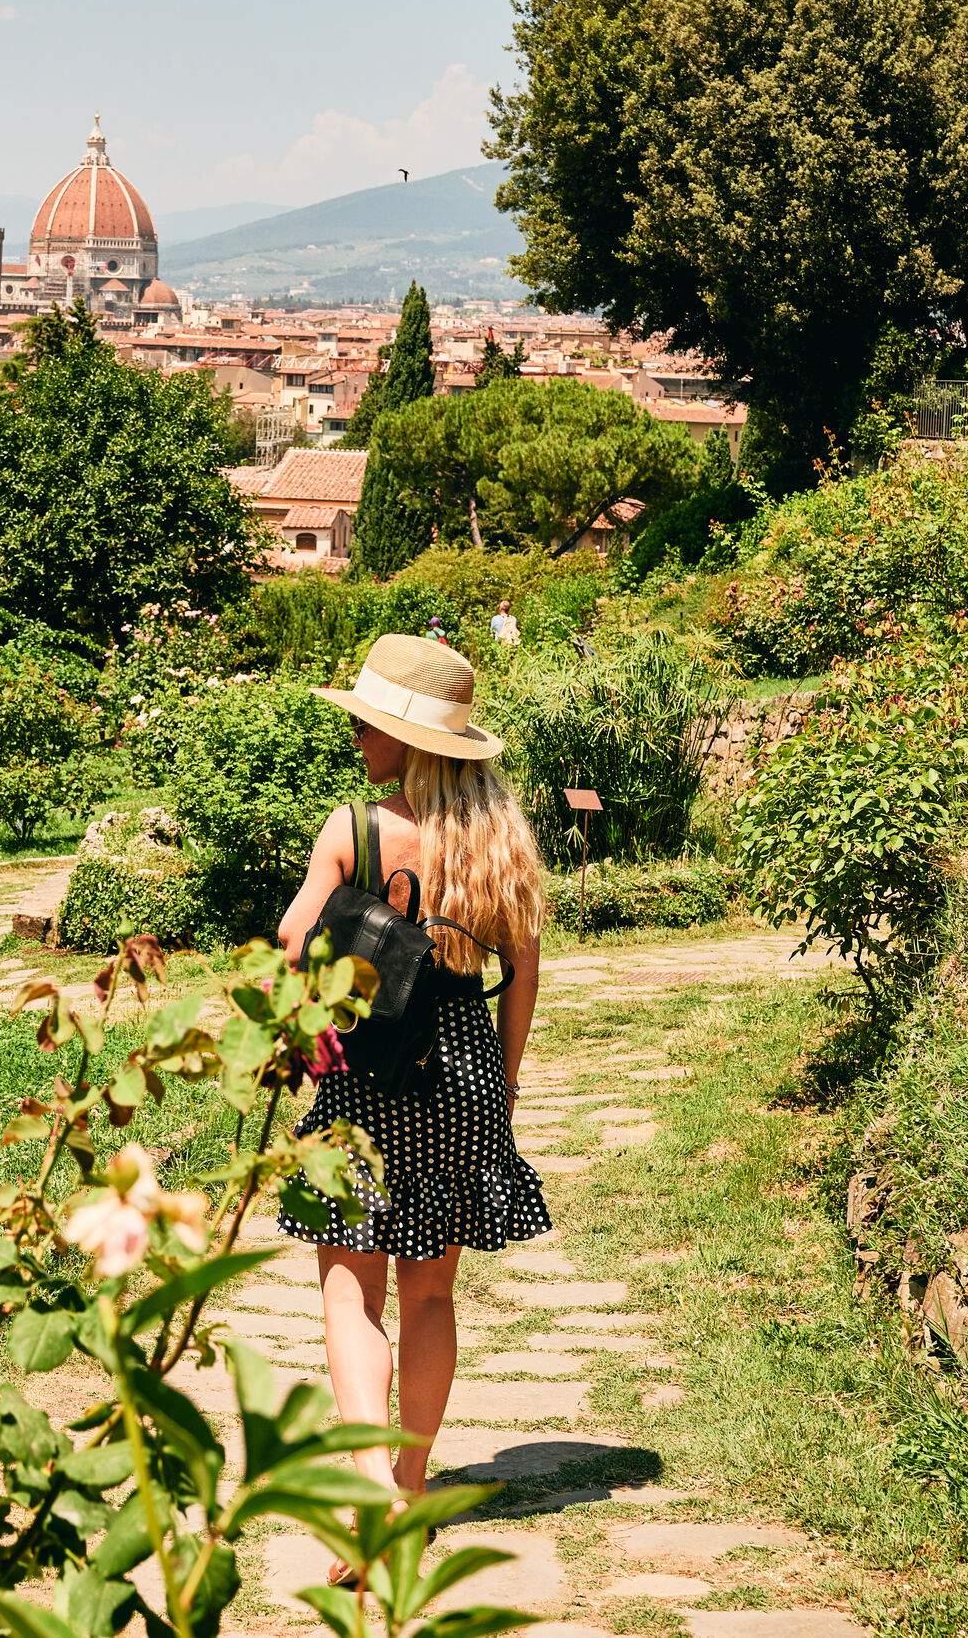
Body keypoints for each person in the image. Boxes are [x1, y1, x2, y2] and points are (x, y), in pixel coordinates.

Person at [276, 632, 548, 1513]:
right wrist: (501, 1085)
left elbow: (291, 938)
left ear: (408, 741)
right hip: (465, 1073)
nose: (357, 741)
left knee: (350, 1290)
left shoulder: (355, 828)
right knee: (431, 1295)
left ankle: (371, 1489)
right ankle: (412, 1477)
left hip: (367, 1075)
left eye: (367, 727)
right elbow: (526, 973)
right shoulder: (499, 842)